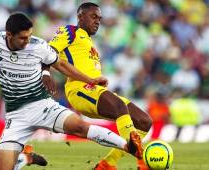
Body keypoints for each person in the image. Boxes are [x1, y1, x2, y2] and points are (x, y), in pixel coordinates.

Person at [0, 12, 143, 170]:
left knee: (80, 127)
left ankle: (128, 146)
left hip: (43, 106)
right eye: (22, 37)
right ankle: (24, 159)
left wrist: (90, 79)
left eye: (29, 35)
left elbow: (61, 65)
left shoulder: (38, 46)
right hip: (16, 116)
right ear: (9, 34)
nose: (27, 41)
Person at [46, 2, 153, 170]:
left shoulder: (88, 41)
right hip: (79, 90)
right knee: (119, 107)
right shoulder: (70, 31)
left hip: (94, 89)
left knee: (144, 121)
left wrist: (96, 79)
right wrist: (45, 73)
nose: (97, 21)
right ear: (80, 17)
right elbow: (48, 52)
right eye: (93, 17)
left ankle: (107, 164)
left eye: (100, 19)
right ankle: (142, 161)